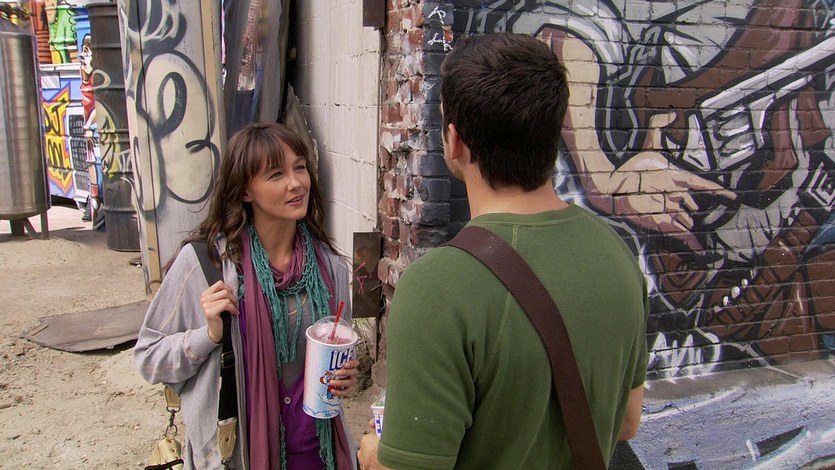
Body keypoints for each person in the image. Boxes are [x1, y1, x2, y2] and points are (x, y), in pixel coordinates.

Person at [357, 33, 647, 469]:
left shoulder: (437, 288)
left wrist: (373, 456)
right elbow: (626, 423)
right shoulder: (617, 255)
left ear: (454, 141)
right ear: (553, 134)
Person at [135, 122, 360, 469]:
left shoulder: (330, 268)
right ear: (244, 191)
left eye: (300, 167)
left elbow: (337, 354)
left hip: (318, 453)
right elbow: (149, 357)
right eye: (276, 174)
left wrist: (345, 376)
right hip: (238, 456)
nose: (296, 183)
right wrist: (209, 336)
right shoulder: (206, 265)